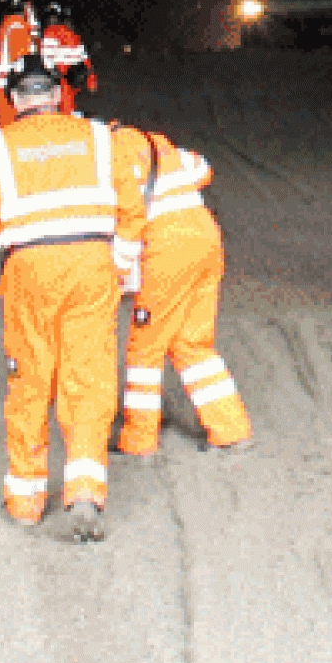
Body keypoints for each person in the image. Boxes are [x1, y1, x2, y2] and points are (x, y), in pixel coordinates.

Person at [0, 62, 142, 541]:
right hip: (91, 263)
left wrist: (12, 240)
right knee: (89, 376)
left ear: (16, 101)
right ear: (60, 96)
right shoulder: (101, 137)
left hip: (30, 268)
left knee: (31, 379)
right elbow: (131, 206)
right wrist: (121, 260)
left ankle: (26, 501)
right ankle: (83, 491)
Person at [109, 124, 252, 457]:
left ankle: (138, 440)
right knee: (193, 343)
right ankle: (231, 430)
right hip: (204, 236)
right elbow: (203, 169)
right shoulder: (158, 144)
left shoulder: (104, 156)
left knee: (145, 348)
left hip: (166, 247)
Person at [0, 0, 41, 129]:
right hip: (10, 76)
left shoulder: (10, 25)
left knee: (6, 115)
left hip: (7, 77)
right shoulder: (13, 25)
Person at [40, 1, 97, 113]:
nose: (52, 19)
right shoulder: (68, 32)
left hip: (63, 77)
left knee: (64, 107)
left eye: (53, 16)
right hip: (70, 76)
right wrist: (91, 80)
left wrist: (91, 79)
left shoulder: (52, 33)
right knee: (68, 105)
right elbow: (84, 57)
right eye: (50, 16)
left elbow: (83, 56)